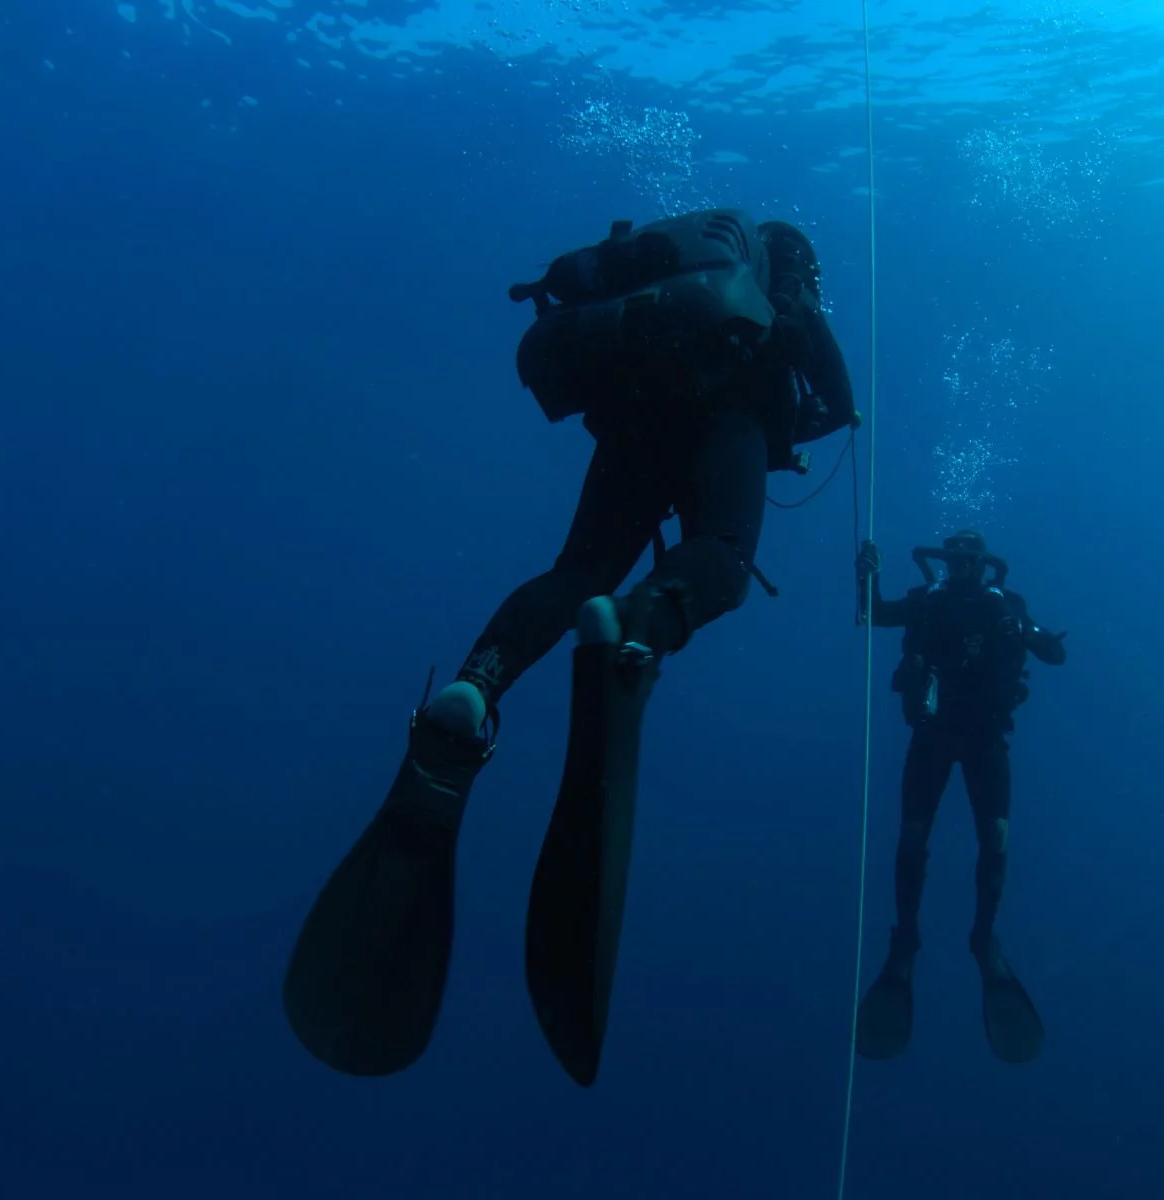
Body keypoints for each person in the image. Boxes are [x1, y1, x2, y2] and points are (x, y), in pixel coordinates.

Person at [283, 209, 856, 1087]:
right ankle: (638, 632)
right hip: (723, 414)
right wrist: (807, 414)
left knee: (576, 569)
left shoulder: (666, 277)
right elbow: (836, 393)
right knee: (725, 564)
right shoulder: (783, 287)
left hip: (634, 414)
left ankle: (476, 687)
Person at [853, 530, 1067, 1064]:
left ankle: (984, 938)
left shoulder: (1006, 607)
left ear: (983, 564)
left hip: (985, 738)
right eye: (958, 559)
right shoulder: (928, 602)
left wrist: (1034, 633)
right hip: (933, 735)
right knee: (912, 837)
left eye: (973, 560)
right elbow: (874, 614)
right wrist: (867, 576)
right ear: (947, 562)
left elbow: (1053, 653)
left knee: (995, 839)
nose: (966, 567)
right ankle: (905, 942)